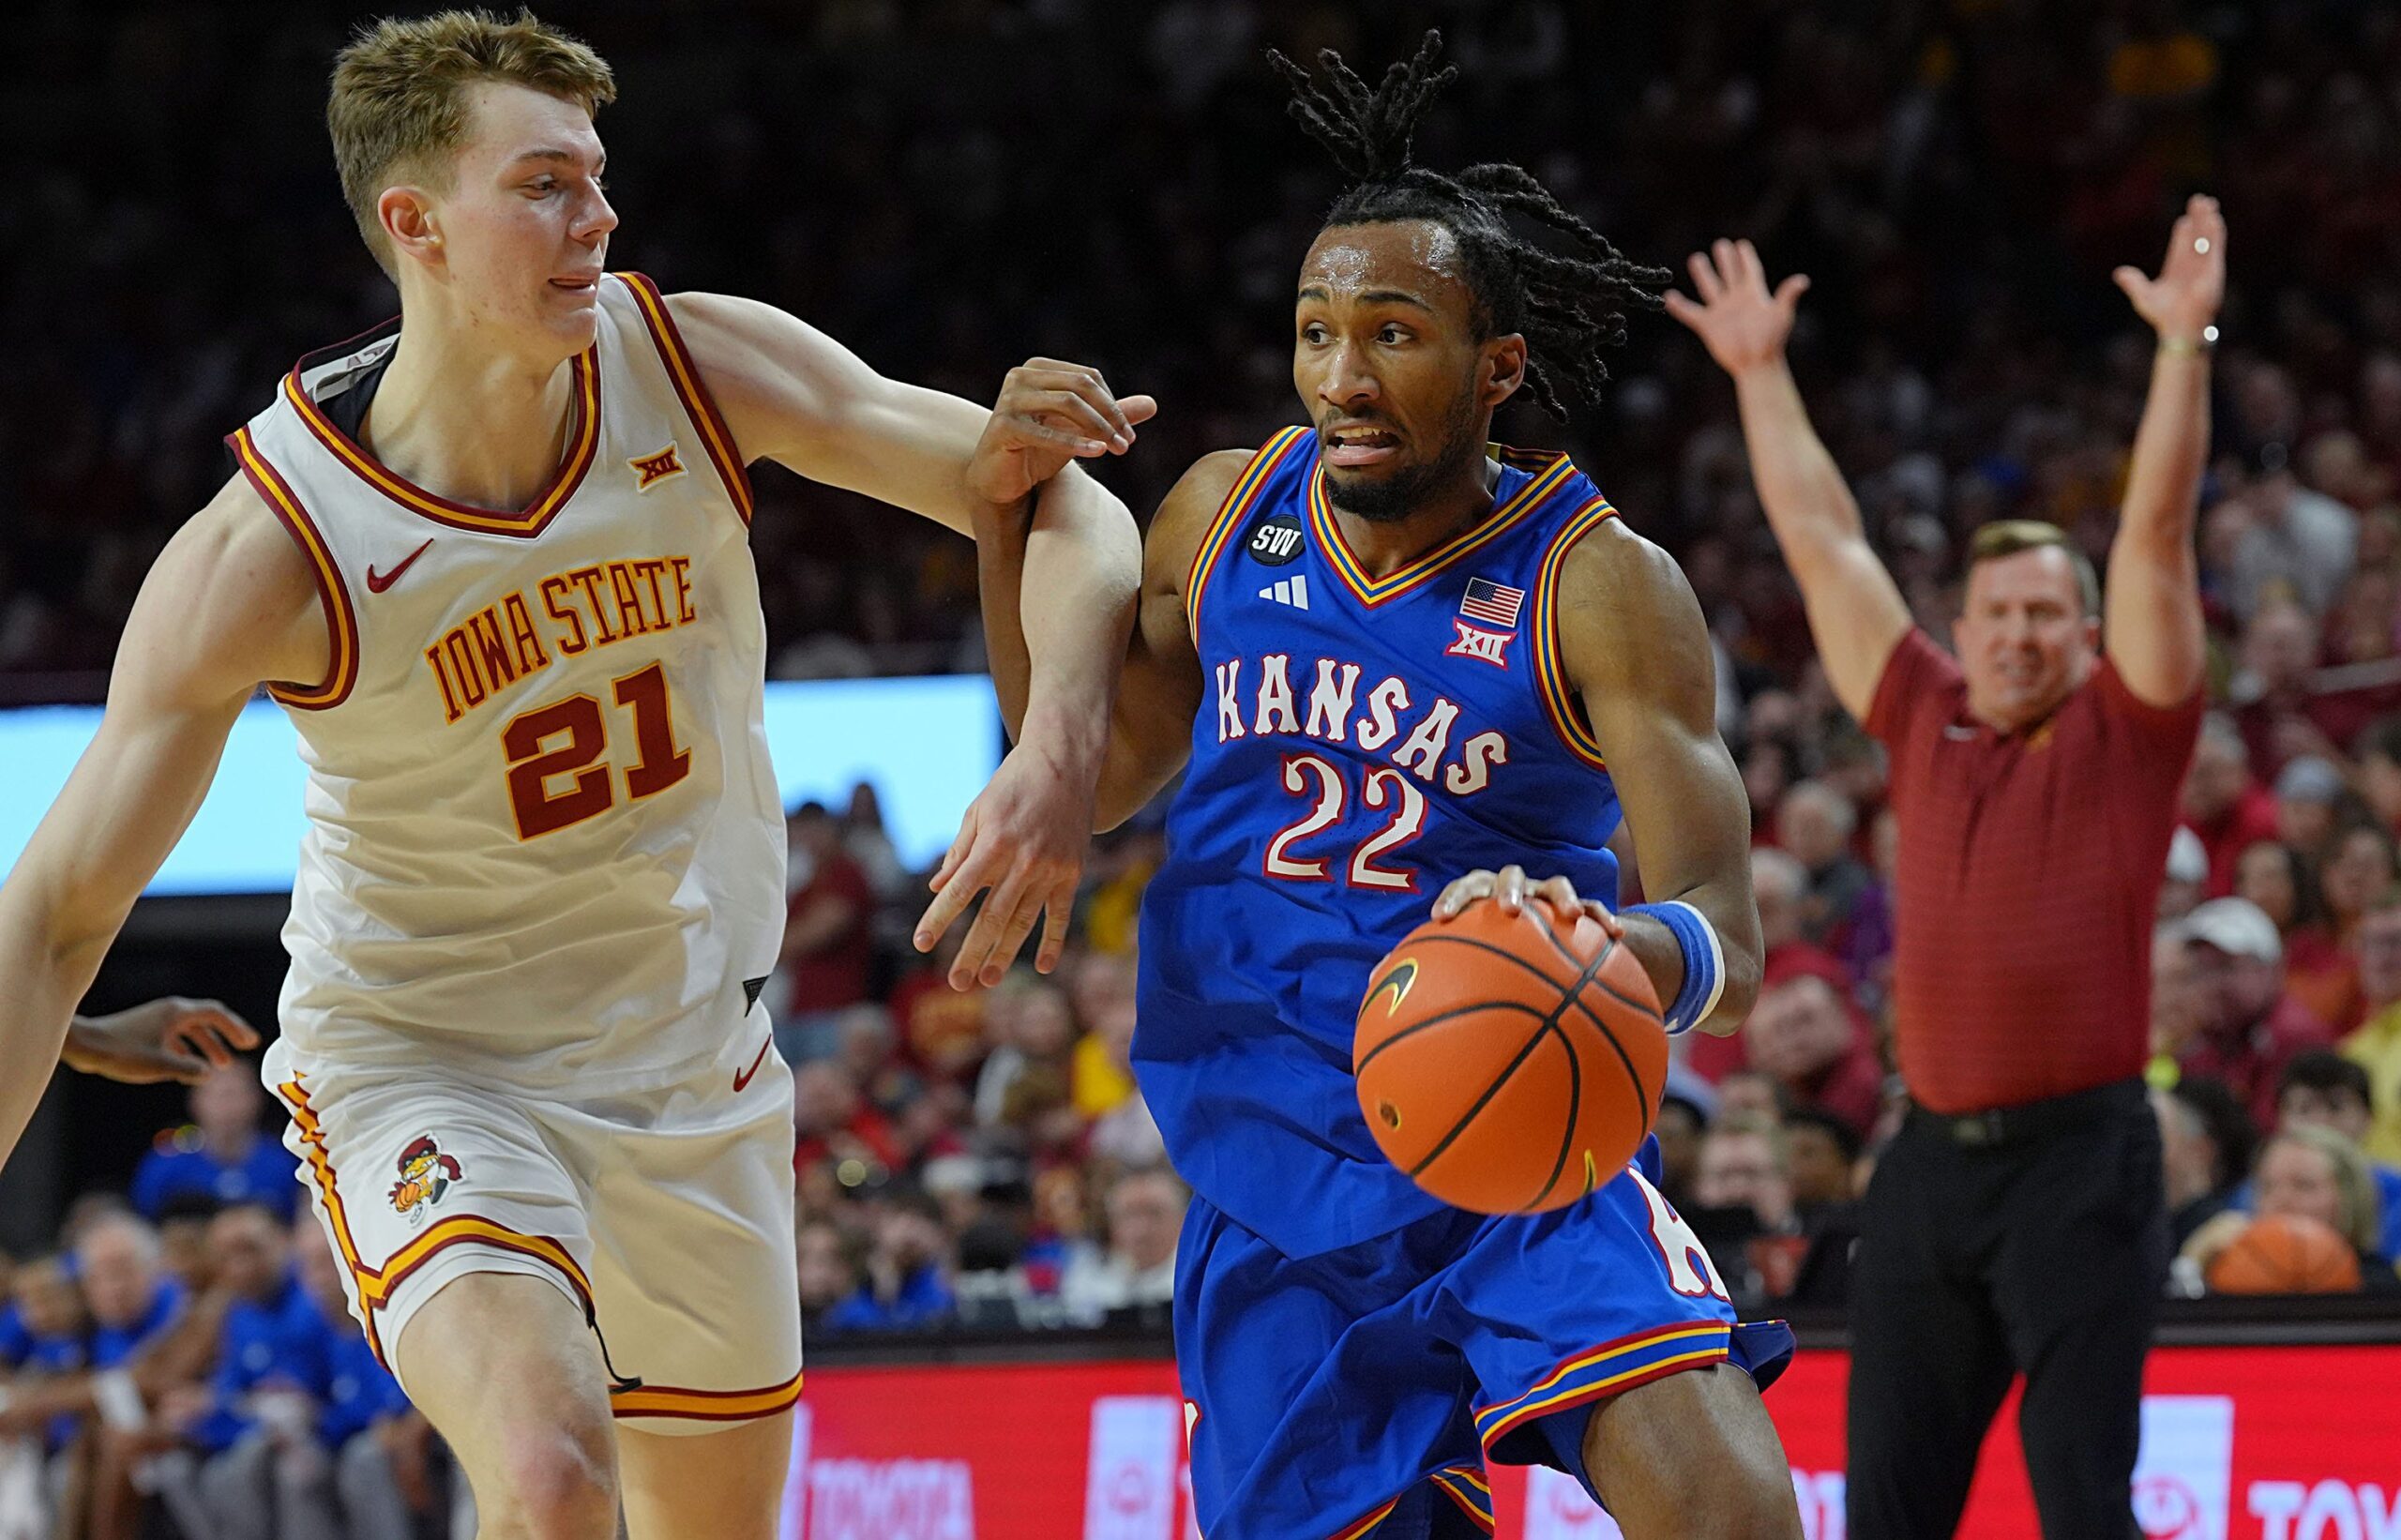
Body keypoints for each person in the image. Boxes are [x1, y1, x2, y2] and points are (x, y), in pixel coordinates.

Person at [0, 12, 1143, 1538]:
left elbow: (1055, 498)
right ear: (416, 224)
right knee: (548, 1472)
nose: (598, 216)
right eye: (544, 184)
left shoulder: (698, 363)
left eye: (597, 177)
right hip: (430, 1061)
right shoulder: (272, 547)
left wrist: (1058, 743)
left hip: (690, 1057)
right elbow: (53, 915)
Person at [967, 36, 1798, 1538]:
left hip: (1513, 1120)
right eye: (1316, 331)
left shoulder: (1599, 584)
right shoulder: (1223, 514)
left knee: (1734, 1514)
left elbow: (1727, 943)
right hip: (1270, 1169)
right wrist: (999, 517)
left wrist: (1606, 944)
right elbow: (1085, 778)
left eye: (1394, 333)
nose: (1342, 376)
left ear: (1497, 368)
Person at [1669, 197, 2222, 1538]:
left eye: (2047, 613)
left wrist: (2180, 347)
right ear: (1960, 627)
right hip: (1926, 1164)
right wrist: (1760, 372)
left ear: (2088, 637)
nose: (2019, 634)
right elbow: (1824, 539)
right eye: (1998, 613)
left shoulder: (2131, 725)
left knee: (2082, 1502)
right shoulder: (1922, 706)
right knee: (1889, 1514)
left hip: (2082, 1162)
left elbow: (2154, 534)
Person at [2176, 896, 2335, 1128]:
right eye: (2201, 970)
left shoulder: (2295, 1037)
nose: (2211, 985)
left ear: (2271, 969)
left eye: (2226, 967)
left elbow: (2274, 1132)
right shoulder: (2200, 1038)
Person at [131, 1064, 301, 1221]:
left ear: (257, 1099)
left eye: (234, 1095)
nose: (227, 1106)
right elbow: (143, 1224)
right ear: (195, 1101)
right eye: (217, 1095)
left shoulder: (284, 1163)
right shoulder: (165, 1164)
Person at [2274, 1050, 2401, 1261]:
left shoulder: (2397, 1192)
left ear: (2368, 1117)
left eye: (2336, 1107)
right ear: (2281, 1120)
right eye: (2304, 1109)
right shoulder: (2251, 1193)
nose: (2321, 1122)